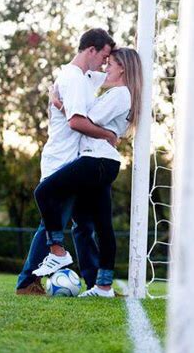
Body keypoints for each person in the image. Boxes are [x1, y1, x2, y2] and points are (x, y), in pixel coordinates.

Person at [32, 48, 142, 298]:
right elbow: (90, 88)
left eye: (110, 64)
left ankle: (58, 252)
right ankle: (103, 286)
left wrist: (57, 101)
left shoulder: (120, 94)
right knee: (100, 224)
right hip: (102, 162)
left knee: (44, 191)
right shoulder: (118, 93)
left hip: (97, 161)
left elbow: (83, 120)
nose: (106, 68)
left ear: (123, 68)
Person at [16, 28, 118, 295]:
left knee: (84, 226)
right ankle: (26, 281)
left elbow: (113, 74)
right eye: (104, 56)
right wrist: (108, 135)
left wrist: (128, 52)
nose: (105, 63)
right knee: (53, 223)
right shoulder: (72, 79)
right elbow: (75, 122)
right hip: (61, 161)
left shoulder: (86, 77)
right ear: (90, 50)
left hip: (79, 163)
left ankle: (97, 284)